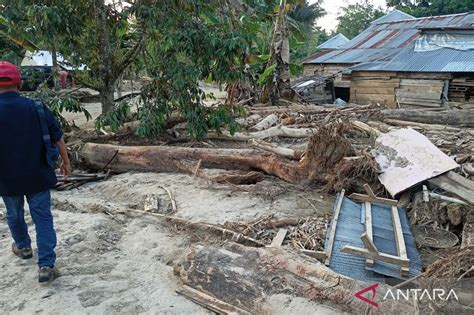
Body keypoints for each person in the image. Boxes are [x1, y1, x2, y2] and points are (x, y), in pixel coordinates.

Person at [0, 61, 71, 283]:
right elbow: (58, 137)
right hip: (38, 174)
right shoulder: (36, 107)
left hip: (6, 178)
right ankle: (46, 266)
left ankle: (23, 247)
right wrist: (66, 162)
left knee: (14, 214)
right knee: (42, 217)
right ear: (19, 82)